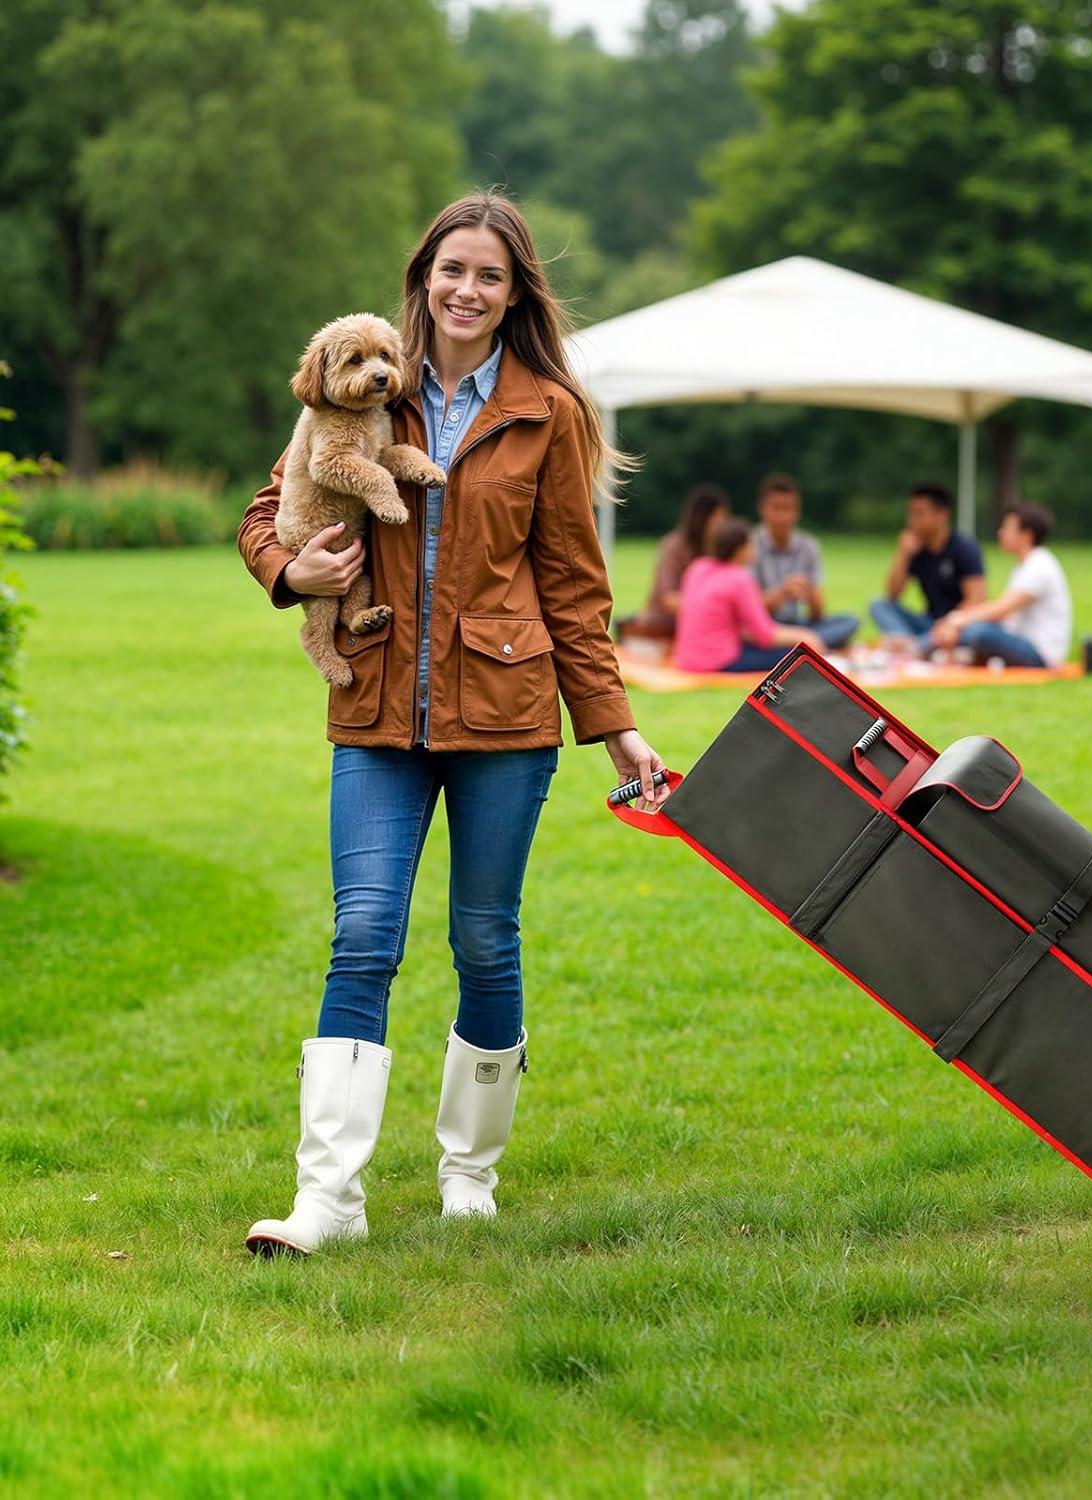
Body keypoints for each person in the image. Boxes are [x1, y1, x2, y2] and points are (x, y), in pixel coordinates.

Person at [236, 190, 667, 1256]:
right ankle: (327, 1201)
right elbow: (266, 512)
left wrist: (614, 724)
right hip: (375, 707)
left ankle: (469, 1175)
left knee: (484, 939)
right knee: (363, 936)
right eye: (452, 270)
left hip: (505, 719)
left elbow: (573, 583)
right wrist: (291, 570)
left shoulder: (548, 412)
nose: (467, 290)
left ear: (515, 294)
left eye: (490, 275)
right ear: (424, 279)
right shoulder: (362, 385)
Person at [925, 502, 1073, 668]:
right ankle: (926, 649)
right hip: (1021, 641)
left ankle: (919, 650)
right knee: (974, 629)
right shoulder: (1026, 565)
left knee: (978, 633)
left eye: (1007, 528)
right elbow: (1003, 615)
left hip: (1040, 654)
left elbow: (1002, 609)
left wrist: (957, 620)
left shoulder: (1039, 566)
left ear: (1027, 535)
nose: (1000, 533)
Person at [673, 517, 819, 673]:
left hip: (686, 658)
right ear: (740, 549)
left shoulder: (697, 568)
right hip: (719, 661)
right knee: (798, 655)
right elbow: (765, 635)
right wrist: (806, 637)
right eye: (751, 544)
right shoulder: (739, 579)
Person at [750, 472, 859, 651]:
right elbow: (748, 609)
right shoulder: (750, 546)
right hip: (765, 626)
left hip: (797, 624)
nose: (783, 516)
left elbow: (818, 615)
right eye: (776, 508)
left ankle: (798, 646)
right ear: (762, 509)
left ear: (797, 511)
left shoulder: (808, 546)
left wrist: (812, 596)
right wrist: (782, 594)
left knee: (850, 621)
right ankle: (807, 646)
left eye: (788, 509)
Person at [869, 482, 986, 642]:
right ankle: (908, 642)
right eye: (911, 514)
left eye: (919, 514)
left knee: (974, 632)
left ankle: (915, 645)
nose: (912, 520)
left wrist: (949, 623)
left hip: (958, 625)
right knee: (878, 605)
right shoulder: (916, 550)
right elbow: (892, 595)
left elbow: (976, 600)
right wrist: (902, 555)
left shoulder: (963, 548)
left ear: (942, 514)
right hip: (929, 623)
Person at [617, 484, 729, 643]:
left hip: (699, 630)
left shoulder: (716, 550)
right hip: (663, 628)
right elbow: (667, 598)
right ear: (703, 517)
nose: (723, 524)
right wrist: (711, 610)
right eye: (719, 518)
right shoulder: (674, 546)